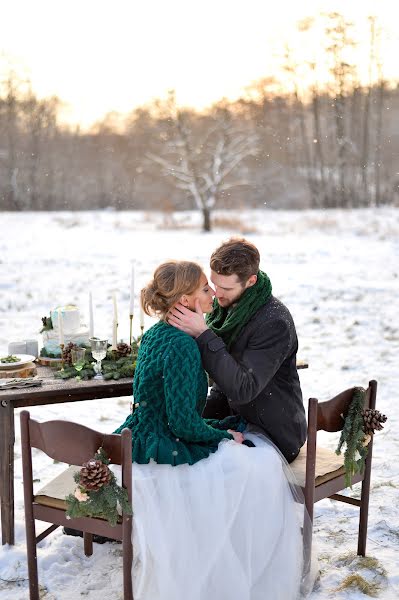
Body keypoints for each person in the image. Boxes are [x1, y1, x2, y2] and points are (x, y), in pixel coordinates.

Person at [114, 260, 314, 600]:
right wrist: (224, 435)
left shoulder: (154, 335)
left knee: (246, 459)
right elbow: (182, 424)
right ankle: (238, 568)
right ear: (187, 301)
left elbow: (170, 410)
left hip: (143, 432)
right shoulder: (182, 346)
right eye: (206, 289)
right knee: (258, 468)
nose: (213, 293)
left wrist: (218, 427)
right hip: (165, 441)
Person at [168, 238, 307, 463]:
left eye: (226, 288)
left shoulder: (274, 322)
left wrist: (204, 335)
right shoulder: (224, 311)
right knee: (176, 444)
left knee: (203, 468)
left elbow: (243, 388)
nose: (216, 294)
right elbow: (222, 384)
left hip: (273, 432)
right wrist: (193, 420)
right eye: (214, 284)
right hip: (234, 419)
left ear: (250, 281)